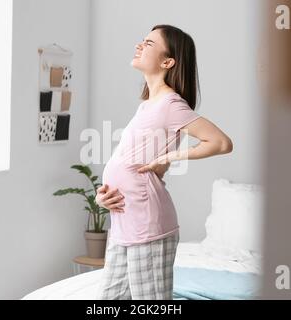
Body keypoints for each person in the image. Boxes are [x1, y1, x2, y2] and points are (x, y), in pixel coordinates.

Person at [96, 24, 233, 300]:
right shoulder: (147, 104)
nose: (139, 45)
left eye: (148, 43)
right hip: (123, 223)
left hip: (147, 225)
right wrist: (103, 197)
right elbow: (131, 161)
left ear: (167, 61)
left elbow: (221, 142)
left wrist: (171, 156)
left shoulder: (171, 104)